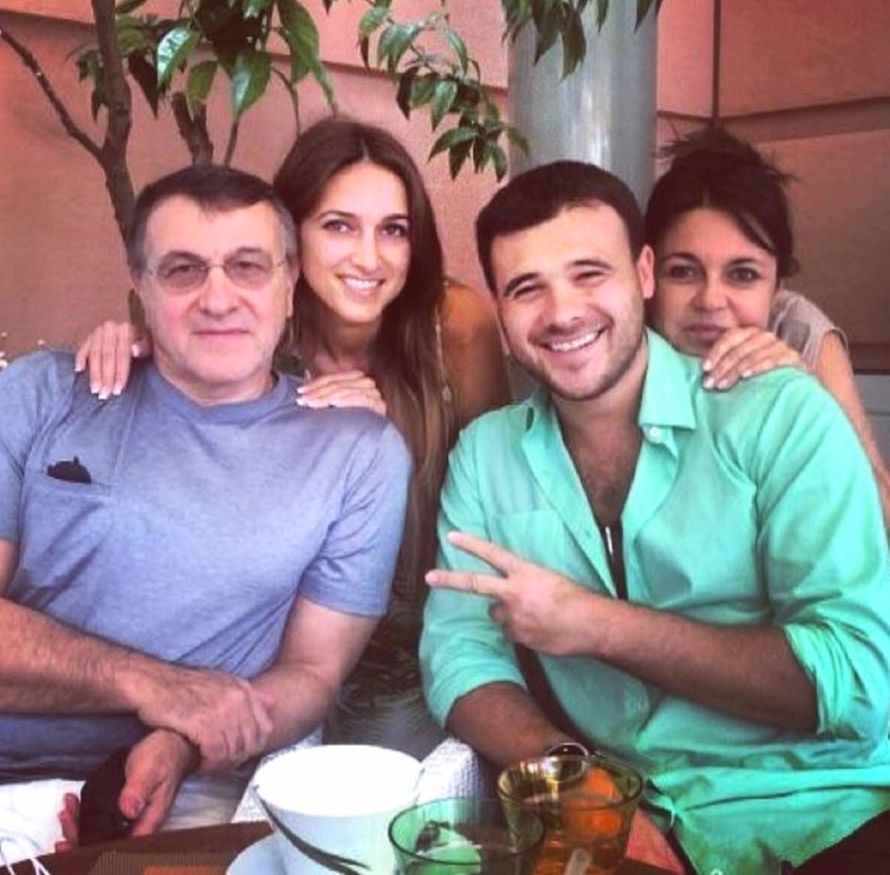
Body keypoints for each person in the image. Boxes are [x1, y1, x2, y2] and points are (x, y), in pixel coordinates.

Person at [420, 160, 890, 874]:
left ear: (642, 272)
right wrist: (578, 783)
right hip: (621, 817)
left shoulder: (780, 417)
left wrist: (595, 624)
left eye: (588, 274)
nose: (562, 312)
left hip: (819, 807)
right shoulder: (487, 455)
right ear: (499, 308)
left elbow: (854, 678)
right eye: (526, 287)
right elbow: (459, 652)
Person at [0, 164, 411, 864]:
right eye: (183, 270)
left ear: (289, 283)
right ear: (139, 286)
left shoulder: (357, 451)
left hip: (186, 789)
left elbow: (313, 671)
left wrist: (187, 739)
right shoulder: (43, 394)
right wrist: (154, 686)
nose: (218, 298)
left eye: (247, 267)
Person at [71, 118, 511, 759]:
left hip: (409, 654)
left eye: (393, 230)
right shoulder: (251, 336)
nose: (370, 258)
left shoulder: (453, 326)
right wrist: (128, 342)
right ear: (290, 240)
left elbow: (496, 494)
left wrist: (378, 434)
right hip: (267, 657)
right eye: (339, 226)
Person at [644, 128, 890, 530]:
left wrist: (812, 400)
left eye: (742, 274)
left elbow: (879, 516)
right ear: (646, 275)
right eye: (683, 271)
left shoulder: (795, 329)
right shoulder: (625, 342)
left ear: (778, 286)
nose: (711, 300)